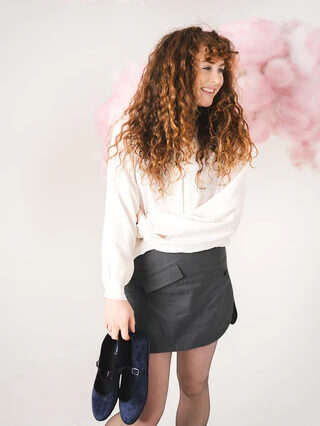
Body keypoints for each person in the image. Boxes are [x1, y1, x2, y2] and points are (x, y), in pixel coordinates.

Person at [101, 26, 257, 426]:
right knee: (145, 410)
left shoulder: (226, 135)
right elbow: (119, 217)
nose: (216, 80)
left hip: (207, 276)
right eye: (206, 67)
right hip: (153, 281)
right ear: (175, 69)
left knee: (195, 385)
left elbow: (225, 221)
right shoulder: (131, 134)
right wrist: (113, 293)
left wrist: (155, 225)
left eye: (221, 69)